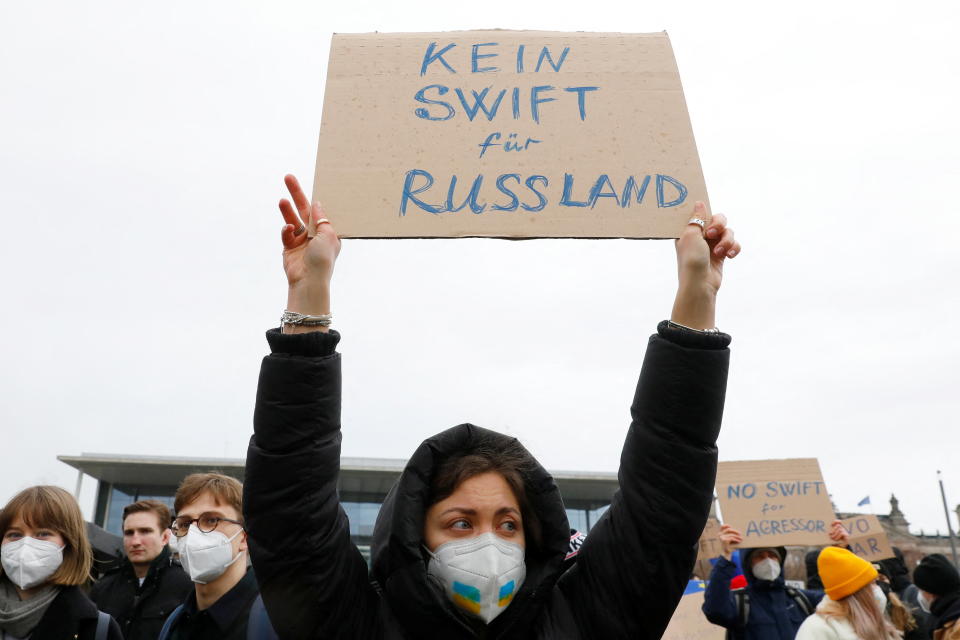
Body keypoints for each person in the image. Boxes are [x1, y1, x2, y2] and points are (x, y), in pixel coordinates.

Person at [243, 175, 741, 638]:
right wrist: (308, 299)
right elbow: (293, 503)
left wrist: (696, 294)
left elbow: (665, 493)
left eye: (508, 524)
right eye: (461, 523)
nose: (491, 545)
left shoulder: (584, 617)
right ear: (416, 537)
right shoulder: (355, 623)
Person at [157, 473, 277, 640]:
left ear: (244, 537)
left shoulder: (276, 621)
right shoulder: (173, 623)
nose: (193, 534)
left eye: (212, 520)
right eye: (184, 524)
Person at [0, 485, 122, 639]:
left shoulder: (98, 629)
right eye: (15, 534)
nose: (25, 545)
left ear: (69, 544)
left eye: (43, 533)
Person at [703, 523, 827, 640]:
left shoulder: (801, 599)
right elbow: (714, 610)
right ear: (749, 565)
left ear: (780, 561)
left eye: (772, 556)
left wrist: (842, 548)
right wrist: (725, 556)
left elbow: (841, 600)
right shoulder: (740, 603)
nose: (768, 561)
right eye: (760, 556)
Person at [91, 500, 192, 640]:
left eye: (145, 531)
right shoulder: (103, 587)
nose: (135, 541)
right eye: (129, 533)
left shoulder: (188, 587)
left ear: (165, 537)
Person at [794, 546, 900, 640]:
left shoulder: (874, 621)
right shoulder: (817, 627)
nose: (878, 588)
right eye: (872, 583)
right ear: (858, 591)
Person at [912, 553, 960, 640]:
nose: (920, 594)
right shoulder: (946, 618)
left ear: (931, 590)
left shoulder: (956, 625)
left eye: (921, 589)